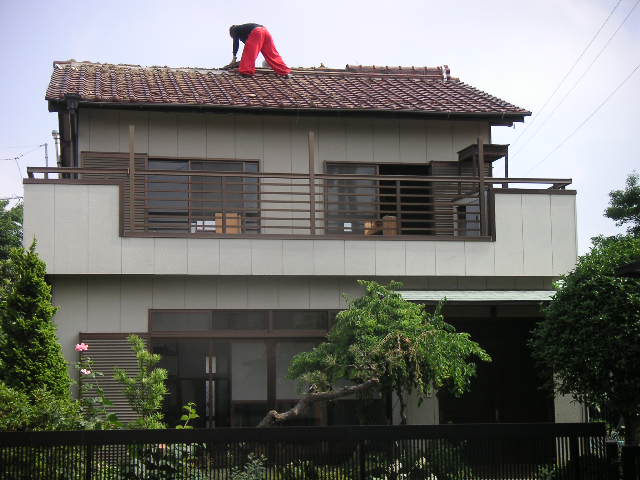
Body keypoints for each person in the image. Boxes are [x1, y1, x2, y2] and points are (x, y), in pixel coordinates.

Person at [227, 23, 291, 77]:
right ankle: (284, 71)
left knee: (249, 53)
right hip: (265, 31)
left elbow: (236, 44)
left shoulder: (235, 30)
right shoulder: (244, 30)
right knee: (272, 53)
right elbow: (249, 44)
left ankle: (246, 72)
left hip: (257, 32)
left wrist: (234, 57)